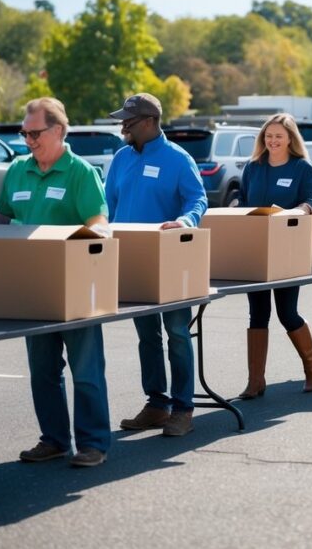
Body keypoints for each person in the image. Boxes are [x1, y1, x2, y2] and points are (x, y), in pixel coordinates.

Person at [0, 97, 113, 468]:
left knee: (86, 369)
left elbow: (99, 225)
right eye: (24, 133)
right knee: (43, 370)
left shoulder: (80, 172)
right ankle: (55, 439)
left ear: (59, 130)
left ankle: (93, 444)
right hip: (35, 286)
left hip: (76, 285)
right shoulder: (17, 171)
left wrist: (75, 244)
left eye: (35, 133)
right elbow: (1, 216)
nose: (28, 139)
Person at [105, 93, 208, 437]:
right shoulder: (120, 159)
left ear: (149, 122)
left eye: (129, 122)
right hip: (132, 259)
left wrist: (186, 220)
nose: (123, 127)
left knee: (177, 333)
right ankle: (156, 404)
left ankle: (182, 408)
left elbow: (198, 198)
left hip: (170, 259)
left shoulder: (178, 158)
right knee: (146, 335)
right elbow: (109, 204)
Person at [233, 113, 312, 398]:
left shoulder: (303, 168)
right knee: (257, 314)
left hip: (287, 248)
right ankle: (255, 381)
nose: (273, 141)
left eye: (278, 136)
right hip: (255, 248)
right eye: (268, 136)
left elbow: (311, 201)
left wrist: (297, 211)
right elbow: (245, 201)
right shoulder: (253, 167)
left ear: (290, 139)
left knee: (287, 313)